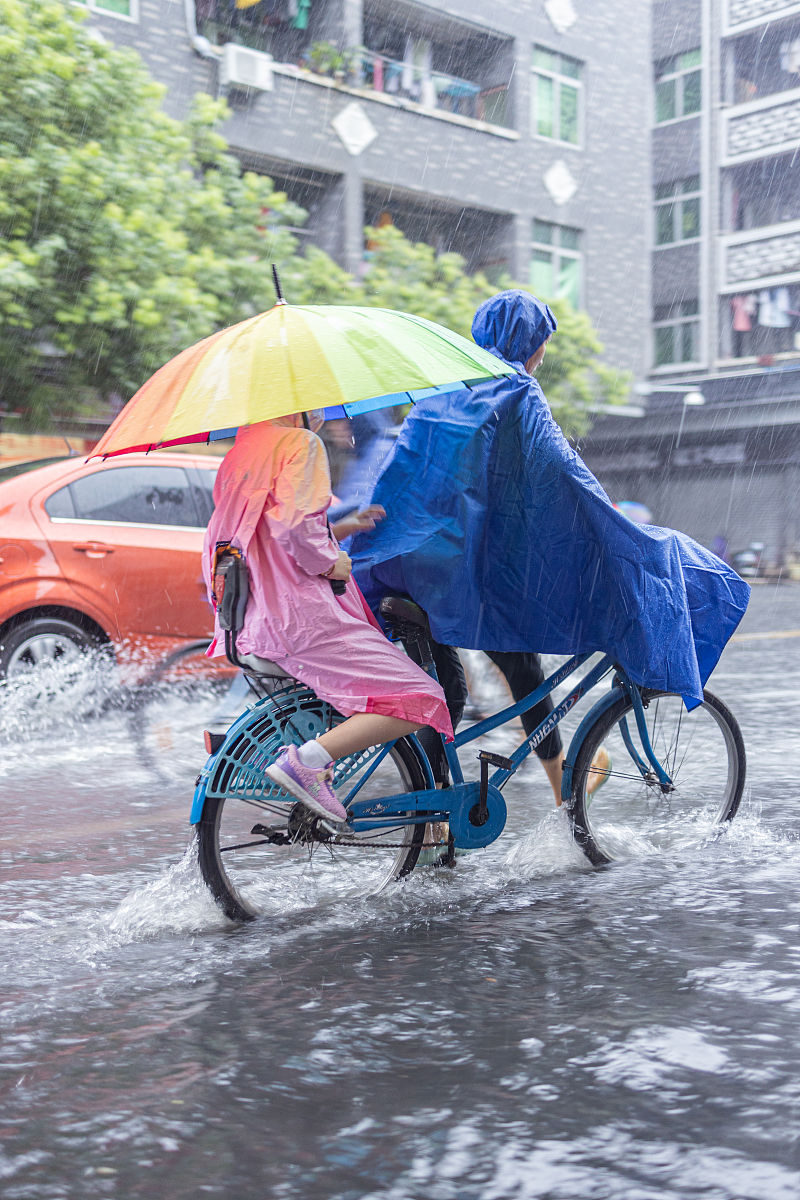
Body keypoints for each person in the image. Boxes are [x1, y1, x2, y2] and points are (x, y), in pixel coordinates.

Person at [352, 289, 750, 791]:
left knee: (452, 690)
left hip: (409, 568)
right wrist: (613, 527)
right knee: (514, 664)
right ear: (529, 341)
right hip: (463, 575)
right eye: (542, 342)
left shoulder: (447, 387)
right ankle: (543, 787)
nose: (542, 353)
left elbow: (409, 473)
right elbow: (563, 469)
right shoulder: (515, 388)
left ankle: (439, 821)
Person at [202, 413, 453, 823]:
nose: (324, 413)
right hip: (301, 619)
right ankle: (308, 761)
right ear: (297, 400)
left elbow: (264, 536)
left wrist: (337, 529)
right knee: (420, 697)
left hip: (252, 618)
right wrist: (330, 562)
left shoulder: (243, 452)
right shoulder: (299, 443)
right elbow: (294, 529)